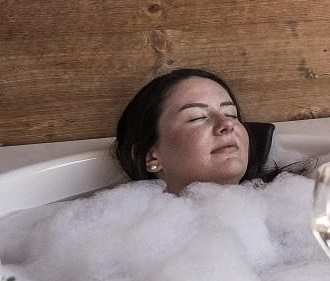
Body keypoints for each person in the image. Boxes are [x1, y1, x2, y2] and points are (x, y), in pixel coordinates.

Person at [113, 68, 285, 193]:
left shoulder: (288, 203)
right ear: (150, 157)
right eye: (197, 117)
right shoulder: (125, 227)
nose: (227, 124)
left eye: (231, 114)